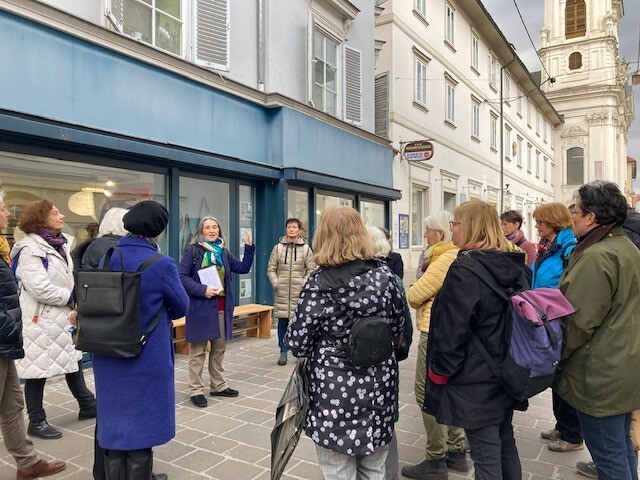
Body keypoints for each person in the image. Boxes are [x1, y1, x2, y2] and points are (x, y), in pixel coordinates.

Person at [286, 206, 405, 480]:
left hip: (334, 390)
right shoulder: (386, 277)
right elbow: (398, 330)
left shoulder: (317, 284)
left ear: (323, 237)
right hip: (379, 385)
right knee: (374, 469)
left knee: (338, 470)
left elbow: (298, 342)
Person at [424, 200, 528, 480]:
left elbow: (451, 333)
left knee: (486, 455)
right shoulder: (513, 262)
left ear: (470, 227)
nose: (452, 229)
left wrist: (439, 373)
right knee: (505, 444)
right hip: (505, 371)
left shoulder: (465, 270)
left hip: (474, 378)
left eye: (455, 223)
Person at [89, 200, 189, 479]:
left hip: (108, 355)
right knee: (143, 426)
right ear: (158, 230)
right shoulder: (161, 264)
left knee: (114, 423)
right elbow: (181, 307)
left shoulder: (107, 257)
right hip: (145, 356)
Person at [557, 181, 640, 480]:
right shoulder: (625, 246)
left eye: (576, 211)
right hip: (623, 365)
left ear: (591, 217)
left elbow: (577, 322)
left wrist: (553, 355)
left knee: (609, 454)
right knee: (620, 448)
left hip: (601, 374)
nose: (572, 217)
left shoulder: (598, 255)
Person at [10, 200, 96, 440]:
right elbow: (39, 287)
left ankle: (87, 404)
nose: (61, 216)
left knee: (71, 359)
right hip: (41, 319)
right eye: (55, 213)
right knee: (37, 370)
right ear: (41, 219)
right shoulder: (30, 249)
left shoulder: (60, 244)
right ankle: (36, 420)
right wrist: (69, 297)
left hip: (61, 316)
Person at [0, 190, 66, 479]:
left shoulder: (2, 248)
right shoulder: (28, 249)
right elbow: (39, 287)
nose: (8, 214)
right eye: (3, 208)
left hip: (6, 338)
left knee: (13, 404)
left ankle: (27, 462)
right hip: (9, 332)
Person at [403, 211, 468, 480]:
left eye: (428, 230)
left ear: (440, 233)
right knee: (449, 390)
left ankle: (435, 458)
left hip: (434, 331)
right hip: (449, 331)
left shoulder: (445, 258)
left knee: (426, 393)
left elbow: (414, 295)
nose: (425, 235)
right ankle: (456, 452)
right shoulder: (454, 255)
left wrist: (417, 289)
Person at [178, 216, 255, 408]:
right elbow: (182, 277)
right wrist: (202, 290)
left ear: (219, 231)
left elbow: (243, 268)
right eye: (207, 227)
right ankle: (196, 390)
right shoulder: (193, 251)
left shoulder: (224, 252)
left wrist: (249, 247)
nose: (212, 230)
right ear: (201, 231)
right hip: (200, 308)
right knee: (198, 351)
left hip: (221, 308)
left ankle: (218, 385)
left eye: (215, 227)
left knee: (219, 349)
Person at [528, 203, 582, 452]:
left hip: (559, 318)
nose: (537, 226)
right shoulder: (548, 246)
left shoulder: (568, 247)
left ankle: (572, 435)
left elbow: (571, 284)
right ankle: (561, 425)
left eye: (540, 222)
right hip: (545, 316)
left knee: (565, 376)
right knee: (555, 374)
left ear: (553, 222)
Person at [367, 225, 413, 480]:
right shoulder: (392, 280)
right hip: (384, 366)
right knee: (385, 421)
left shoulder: (339, 278)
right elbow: (404, 330)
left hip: (346, 381)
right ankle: (389, 474)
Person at [266, 218, 316, 366]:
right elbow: (271, 268)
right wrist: (277, 283)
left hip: (298, 293)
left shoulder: (306, 249)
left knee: (299, 323)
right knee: (282, 322)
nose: (291, 229)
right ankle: (283, 351)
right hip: (282, 292)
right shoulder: (278, 248)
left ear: (299, 230)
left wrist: (303, 284)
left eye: (294, 227)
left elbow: (311, 269)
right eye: (289, 227)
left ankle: (298, 350)